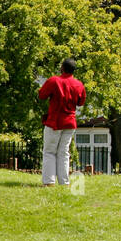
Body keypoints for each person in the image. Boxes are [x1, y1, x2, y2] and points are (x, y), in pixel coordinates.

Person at [38, 58, 87, 187]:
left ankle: (49, 181)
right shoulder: (79, 84)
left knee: (49, 151)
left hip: (55, 121)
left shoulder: (54, 81)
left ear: (62, 68)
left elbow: (42, 95)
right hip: (70, 122)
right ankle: (64, 182)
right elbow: (81, 102)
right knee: (64, 152)